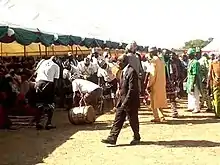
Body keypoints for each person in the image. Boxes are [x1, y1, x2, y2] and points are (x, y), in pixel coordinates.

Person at [101, 54, 140, 145]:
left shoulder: (132, 72)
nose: (117, 63)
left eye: (119, 61)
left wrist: (126, 102)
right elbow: (122, 85)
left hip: (130, 101)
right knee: (118, 119)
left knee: (133, 120)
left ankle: (137, 137)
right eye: (117, 61)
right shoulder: (123, 71)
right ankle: (112, 138)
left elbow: (132, 89)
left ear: (125, 62)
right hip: (122, 100)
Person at [34, 56, 60, 130]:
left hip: (38, 83)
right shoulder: (56, 66)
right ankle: (48, 123)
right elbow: (56, 81)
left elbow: (36, 73)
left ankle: (38, 122)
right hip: (48, 84)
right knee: (50, 105)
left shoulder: (41, 62)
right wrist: (54, 92)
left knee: (39, 104)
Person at [147, 47, 167, 122]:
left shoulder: (153, 61)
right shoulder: (161, 60)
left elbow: (152, 74)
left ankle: (156, 117)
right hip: (161, 83)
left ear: (151, 53)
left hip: (155, 84)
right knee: (159, 102)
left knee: (154, 102)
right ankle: (162, 116)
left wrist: (149, 84)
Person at [186, 48, 202, 113]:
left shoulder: (195, 62)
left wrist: (192, 84)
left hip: (194, 81)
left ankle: (197, 108)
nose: (187, 56)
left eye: (189, 54)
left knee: (195, 95)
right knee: (190, 94)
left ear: (192, 55)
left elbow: (195, 74)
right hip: (190, 81)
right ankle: (191, 107)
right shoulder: (190, 62)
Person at [207, 54, 220, 118]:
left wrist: (208, 84)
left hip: (216, 84)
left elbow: (209, 75)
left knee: (216, 99)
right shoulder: (213, 63)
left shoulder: (213, 63)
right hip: (216, 83)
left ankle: (218, 114)